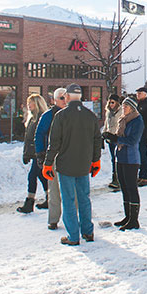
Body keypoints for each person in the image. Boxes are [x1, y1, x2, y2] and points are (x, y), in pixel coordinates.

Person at [42, 84, 101, 246]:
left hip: (65, 165)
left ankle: (73, 236)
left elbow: (54, 143)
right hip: (84, 164)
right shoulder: (91, 116)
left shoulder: (61, 116)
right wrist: (96, 160)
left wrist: (47, 164)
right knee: (84, 198)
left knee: (68, 200)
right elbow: (97, 140)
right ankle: (88, 232)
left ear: (67, 97)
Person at [37, 88, 68, 228]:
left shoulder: (71, 114)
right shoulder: (48, 115)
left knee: (70, 190)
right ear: (55, 100)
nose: (64, 100)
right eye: (61, 98)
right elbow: (39, 134)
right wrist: (40, 153)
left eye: (66, 97)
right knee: (53, 189)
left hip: (69, 156)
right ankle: (53, 219)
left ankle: (73, 219)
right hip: (53, 156)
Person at [111, 97, 144, 230]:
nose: (123, 108)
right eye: (123, 106)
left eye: (126, 106)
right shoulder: (122, 120)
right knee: (124, 187)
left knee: (131, 188)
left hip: (131, 159)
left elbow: (132, 140)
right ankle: (127, 216)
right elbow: (119, 138)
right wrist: (111, 138)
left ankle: (134, 220)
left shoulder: (137, 121)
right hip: (121, 157)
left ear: (132, 108)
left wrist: (117, 138)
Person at [17, 93, 51, 215]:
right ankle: (50, 198)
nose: (28, 105)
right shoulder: (32, 118)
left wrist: (40, 152)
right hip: (34, 153)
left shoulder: (42, 118)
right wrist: (26, 154)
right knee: (41, 176)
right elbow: (28, 139)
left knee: (32, 176)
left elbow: (40, 137)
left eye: (29, 103)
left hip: (40, 153)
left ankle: (30, 202)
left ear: (36, 103)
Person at [102, 94, 123, 192]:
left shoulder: (121, 112)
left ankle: (118, 178)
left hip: (117, 137)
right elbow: (106, 123)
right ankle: (114, 177)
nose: (111, 104)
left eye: (113, 102)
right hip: (110, 137)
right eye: (109, 102)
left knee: (117, 158)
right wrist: (104, 133)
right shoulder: (108, 112)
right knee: (113, 158)